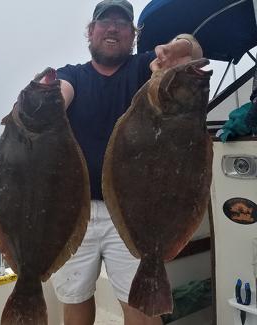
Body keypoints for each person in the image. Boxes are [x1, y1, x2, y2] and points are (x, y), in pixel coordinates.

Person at [45, 0, 203, 324]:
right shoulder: (72, 75)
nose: (113, 28)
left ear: (133, 35)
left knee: (142, 308)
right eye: (105, 22)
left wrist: (184, 46)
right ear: (90, 32)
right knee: (74, 300)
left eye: (122, 23)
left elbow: (191, 58)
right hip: (75, 211)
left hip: (136, 213)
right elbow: (59, 93)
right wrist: (46, 105)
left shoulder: (149, 69)